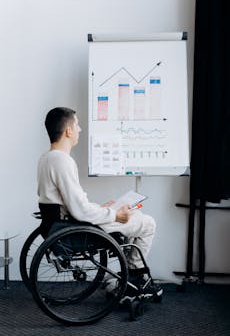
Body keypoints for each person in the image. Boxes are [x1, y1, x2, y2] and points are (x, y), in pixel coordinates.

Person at [37, 107, 162, 298]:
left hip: (60, 224)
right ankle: (135, 277)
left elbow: (71, 203)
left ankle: (130, 274)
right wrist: (115, 215)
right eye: (77, 125)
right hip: (75, 228)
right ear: (68, 131)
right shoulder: (62, 161)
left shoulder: (46, 158)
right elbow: (79, 210)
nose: (80, 129)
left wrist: (102, 208)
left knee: (133, 216)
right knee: (147, 223)